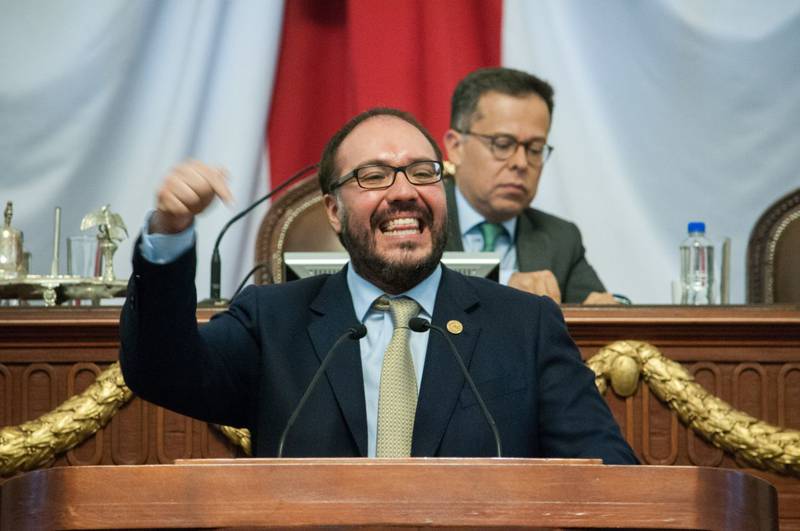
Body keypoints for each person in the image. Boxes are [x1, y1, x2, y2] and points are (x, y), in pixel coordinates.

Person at [119, 107, 637, 463]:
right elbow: (160, 370)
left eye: (422, 172)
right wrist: (169, 233)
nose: (404, 192)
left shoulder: (524, 326)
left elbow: (609, 476)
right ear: (333, 211)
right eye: (373, 176)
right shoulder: (273, 322)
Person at [443, 67, 616, 304]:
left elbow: (604, 309)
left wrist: (613, 307)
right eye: (503, 144)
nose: (521, 163)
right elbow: (419, 282)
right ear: (456, 147)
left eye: (535, 149)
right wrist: (504, 282)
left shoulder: (560, 238)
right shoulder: (416, 218)